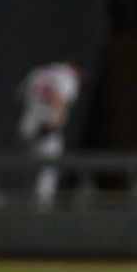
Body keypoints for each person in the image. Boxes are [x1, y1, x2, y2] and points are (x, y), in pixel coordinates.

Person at [17, 61, 83, 210]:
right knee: (49, 168)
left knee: (31, 165)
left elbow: (20, 95)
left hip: (28, 125)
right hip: (47, 127)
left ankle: (27, 202)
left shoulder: (38, 72)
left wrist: (34, 109)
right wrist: (54, 122)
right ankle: (42, 207)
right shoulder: (67, 76)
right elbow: (59, 99)